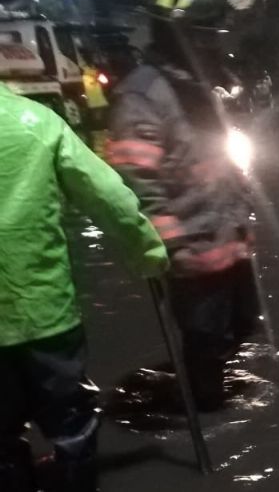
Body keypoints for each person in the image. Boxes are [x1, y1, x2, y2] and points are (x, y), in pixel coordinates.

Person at [0, 83, 168, 491]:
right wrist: (146, 254)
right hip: (45, 312)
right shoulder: (36, 121)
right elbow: (109, 197)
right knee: (70, 423)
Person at [107, 0, 261, 412]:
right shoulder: (143, 95)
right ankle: (204, 401)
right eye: (206, 33)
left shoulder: (202, 84)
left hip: (228, 238)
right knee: (206, 340)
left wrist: (243, 200)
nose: (215, 43)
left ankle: (207, 380)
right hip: (192, 249)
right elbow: (136, 183)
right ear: (180, 34)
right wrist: (170, 245)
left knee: (242, 326)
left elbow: (224, 152)